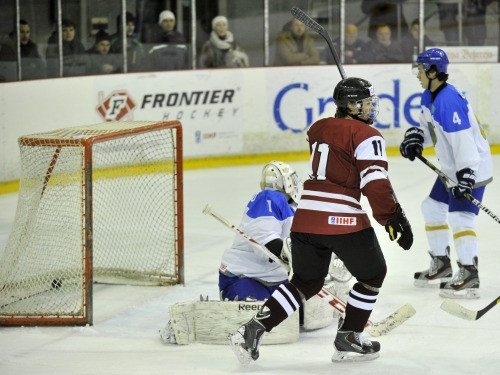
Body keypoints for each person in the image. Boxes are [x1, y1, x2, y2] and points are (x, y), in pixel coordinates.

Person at [229, 77, 413, 364]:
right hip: (342, 218)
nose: (371, 107)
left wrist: (350, 123)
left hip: (305, 219)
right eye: (365, 102)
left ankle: (253, 329)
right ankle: (349, 336)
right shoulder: (367, 135)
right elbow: (375, 184)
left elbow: (336, 148)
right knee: (373, 274)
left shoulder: (318, 129)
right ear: (351, 105)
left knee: (305, 282)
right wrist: (392, 216)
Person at [400, 48, 493, 299]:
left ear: (433, 72)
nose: (417, 74)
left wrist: (466, 176)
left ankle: (469, 273)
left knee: (461, 216)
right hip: (453, 168)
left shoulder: (447, 100)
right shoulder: (429, 96)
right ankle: (441, 263)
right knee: (431, 207)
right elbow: (426, 125)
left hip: (470, 166)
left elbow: (464, 143)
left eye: (420, 69)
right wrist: (416, 139)